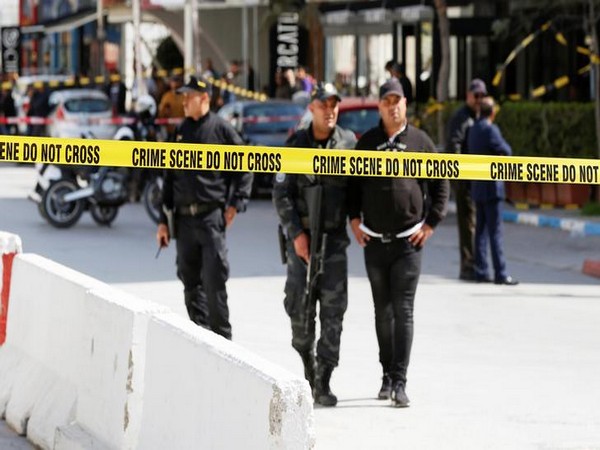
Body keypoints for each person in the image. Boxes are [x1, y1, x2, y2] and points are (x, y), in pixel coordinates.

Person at [348, 78, 449, 407]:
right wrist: (354, 220)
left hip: (409, 243)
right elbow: (352, 186)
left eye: (398, 100)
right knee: (382, 312)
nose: (393, 106)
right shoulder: (367, 143)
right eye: (386, 101)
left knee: (403, 311)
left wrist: (431, 223)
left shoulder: (421, 141)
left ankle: (401, 382)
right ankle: (386, 375)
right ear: (379, 106)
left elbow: (440, 184)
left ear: (405, 104)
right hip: (375, 242)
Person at [273, 82, 357, 407]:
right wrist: (296, 234)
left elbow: (357, 191)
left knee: (334, 311)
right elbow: (281, 193)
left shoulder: (349, 143)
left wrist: (357, 221)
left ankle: (324, 377)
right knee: (300, 308)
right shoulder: (296, 144)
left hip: (334, 240)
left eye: (334, 104)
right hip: (303, 241)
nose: (330, 109)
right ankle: (306, 361)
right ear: (312, 108)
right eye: (324, 104)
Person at [156, 76, 253, 340]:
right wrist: (162, 221)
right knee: (190, 283)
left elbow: (246, 166)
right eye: (183, 96)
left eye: (189, 96)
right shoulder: (179, 132)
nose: (184, 101)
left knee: (214, 283)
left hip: (211, 218)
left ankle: (223, 342)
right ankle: (201, 338)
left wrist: (235, 204)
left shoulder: (221, 130)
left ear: (205, 98)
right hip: (184, 222)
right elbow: (169, 177)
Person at [467, 97, 519, 285]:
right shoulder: (490, 129)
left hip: (477, 187)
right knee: (495, 232)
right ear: (493, 112)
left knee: (480, 231)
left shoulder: (472, 129)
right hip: (492, 188)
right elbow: (507, 151)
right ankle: (500, 273)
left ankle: (481, 271)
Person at [446, 78, 486, 281]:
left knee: (477, 223)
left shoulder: (479, 117)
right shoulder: (462, 117)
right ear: (468, 95)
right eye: (475, 95)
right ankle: (468, 266)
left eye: (482, 96)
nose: (478, 99)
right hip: (465, 180)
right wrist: (460, 177)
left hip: (478, 180)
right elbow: (454, 147)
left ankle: (477, 264)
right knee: (468, 224)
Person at [158, 74, 185, 141]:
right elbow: (161, 114)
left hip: (182, 131)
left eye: (178, 81)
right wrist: (164, 113)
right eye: (174, 81)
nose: (176, 84)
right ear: (170, 83)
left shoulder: (185, 96)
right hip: (169, 132)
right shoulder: (166, 97)